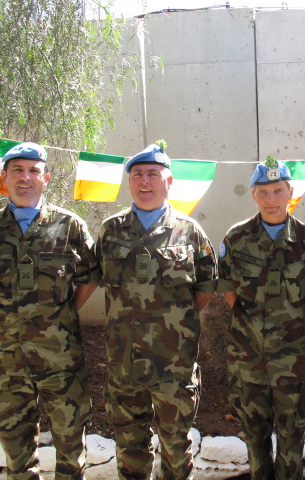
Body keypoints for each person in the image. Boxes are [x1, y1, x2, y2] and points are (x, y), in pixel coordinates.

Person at [0, 142, 99, 480]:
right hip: (8, 359)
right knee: (14, 444)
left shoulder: (69, 226)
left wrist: (60, 312)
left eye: (33, 171)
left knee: (70, 441)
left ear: (46, 178)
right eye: (17, 170)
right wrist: (12, 316)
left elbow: (88, 277)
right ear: (4, 177)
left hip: (61, 357)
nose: (25, 178)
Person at [95, 143, 217, 480]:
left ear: (169, 181)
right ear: (130, 183)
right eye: (137, 175)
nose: (144, 181)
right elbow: (94, 280)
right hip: (124, 363)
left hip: (173, 365)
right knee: (129, 448)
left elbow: (205, 288)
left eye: (153, 174)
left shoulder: (191, 232)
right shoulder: (109, 232)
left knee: (177, 449)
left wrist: (174, 324)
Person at [217, 157, 305, 480]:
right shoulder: (236, 239)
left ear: (290, 192)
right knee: (255, 436)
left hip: (295, 359)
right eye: (263, 192)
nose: (271, 199)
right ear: (253, 195)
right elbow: (228, 290)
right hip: (248, 357)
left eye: (278, 191)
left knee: (293, 436)